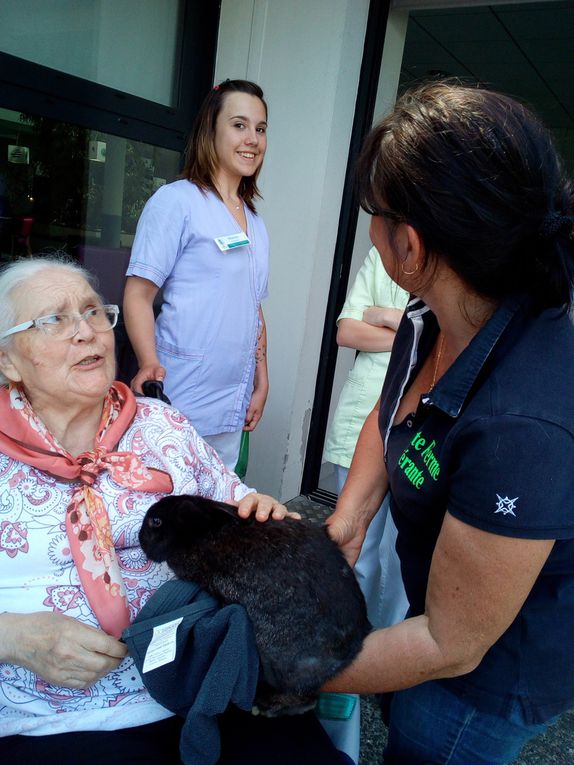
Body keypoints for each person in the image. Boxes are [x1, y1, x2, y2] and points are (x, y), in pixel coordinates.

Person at [0, 257, 349, 764]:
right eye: (54, 319)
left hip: (205, 682)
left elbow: (235, 507)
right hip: (52, 723)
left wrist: (260, 524)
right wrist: (16, 636)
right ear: (8, 360)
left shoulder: (163, 427)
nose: (86, 333)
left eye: (94, 312)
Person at [324, 81, 574, 765]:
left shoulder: (523, 421)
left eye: (373, 214)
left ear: (408, 243)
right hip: (439, 606)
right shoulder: (430, 309)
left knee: (429, 735)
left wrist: (290, 667)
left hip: (489, 674)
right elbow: (396, 410)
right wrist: (350, 517)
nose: (370, 230)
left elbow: (450, 643)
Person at [123, 79, 270, 471]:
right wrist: (147, 362)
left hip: (232, 401)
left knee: (215, 514)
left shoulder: (254, 222)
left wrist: (262, 378)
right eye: (239, 125)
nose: (252, 139)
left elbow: (253, 306)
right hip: (180, 394)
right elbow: (138, 294)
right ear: (212, 130)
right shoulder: (177, 202)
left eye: (260, 128)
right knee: (171, 514)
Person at [324, 245, 408, 629]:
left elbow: (456, 336)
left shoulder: (461, 253)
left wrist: (386, 317)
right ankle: (349, 651)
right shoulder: (383, 253)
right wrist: (416, 333)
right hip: (362, 421)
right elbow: (348, 330)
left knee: (403, 558)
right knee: (356, 551)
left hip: (419, 431)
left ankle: (388, 654)